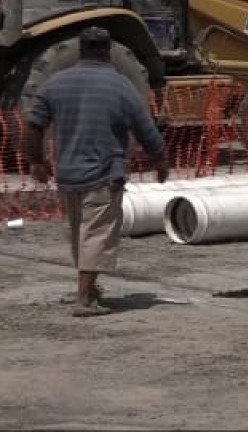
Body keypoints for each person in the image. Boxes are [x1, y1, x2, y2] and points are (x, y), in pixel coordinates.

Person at [25, 27, 169, 317]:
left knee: (80, 232)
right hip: (104, 172)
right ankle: (84, 299)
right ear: (108, 52)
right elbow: (145, 128)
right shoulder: (120, 85)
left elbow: (34, 123)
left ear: (80, 50)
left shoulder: (55, 83)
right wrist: (160, 161)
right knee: (97, 235)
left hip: (68, 174)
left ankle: (89, 290)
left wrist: (37, 161)